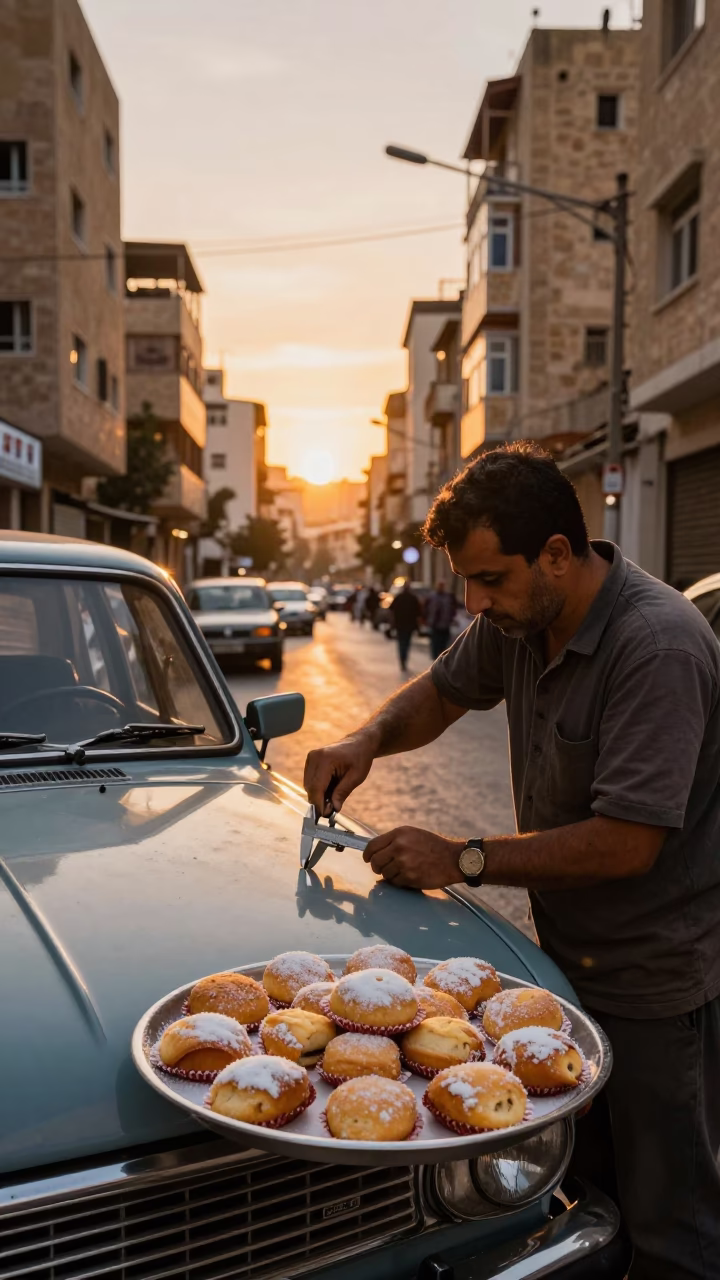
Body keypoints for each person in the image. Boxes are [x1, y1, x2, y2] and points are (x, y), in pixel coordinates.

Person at [304, 443, 720, 1280]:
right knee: (584, 1198)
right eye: (466, 580)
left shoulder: (657, 646)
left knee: (673, 1224)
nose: (473, 600)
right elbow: (443, 693)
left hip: (656, 986)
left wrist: (459, 857)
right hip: (567, 968)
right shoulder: (521, 620)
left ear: (557, 556)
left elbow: (627, 842)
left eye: (489, 579)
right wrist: (367, 738)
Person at [389, 581, 421, 673]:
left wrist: (392, 624)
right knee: (406, 643)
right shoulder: (413, 598)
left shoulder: (399, 598)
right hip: (408, 625)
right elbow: (418, 614)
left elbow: (391, 611)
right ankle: (404, 659)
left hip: (401, 625)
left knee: (402, 643)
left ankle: (403, 660)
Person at [425, 580, 457, 660]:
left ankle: (442, 658)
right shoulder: (431, 597)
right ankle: (435, 658)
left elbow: (453, 608)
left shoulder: (448, 597)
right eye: (439, 586)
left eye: (442, 586)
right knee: (435, 643)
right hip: (435, 624)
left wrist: (451, 617)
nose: (441, 588)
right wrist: (426, 619)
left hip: (445, 624)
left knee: (444, 644)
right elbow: (426, 608)